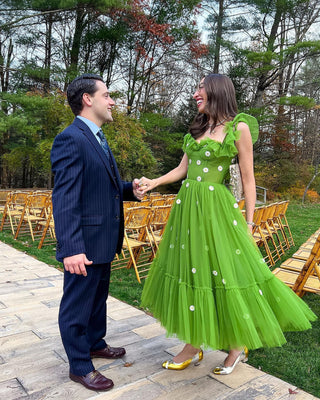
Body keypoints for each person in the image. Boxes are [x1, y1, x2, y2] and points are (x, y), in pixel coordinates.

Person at [139, 73, 316, 376]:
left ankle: (237, 345)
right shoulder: (198, 127)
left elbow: (248, 178)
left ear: (217, 91)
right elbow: (182, 169)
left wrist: (248, 221)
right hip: (187, 211)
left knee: (223, 274)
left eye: (200, 89)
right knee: (190, 270)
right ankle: (193, 345)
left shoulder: (239, 127)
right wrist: (154, 182)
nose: (195, 94)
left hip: (216, 211)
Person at [51, 73, 143, 391]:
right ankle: (79, 365)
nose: (112, 100)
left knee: (97, 299)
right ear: (87, 99)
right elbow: (64, 197)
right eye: (106, 95)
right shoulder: (71, 138)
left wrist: (131, 189)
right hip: (84, 245)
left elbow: (100, 188)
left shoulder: (98, 137)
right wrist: (71, 247)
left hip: (104, 240)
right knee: (78, 304)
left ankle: (94, 343)